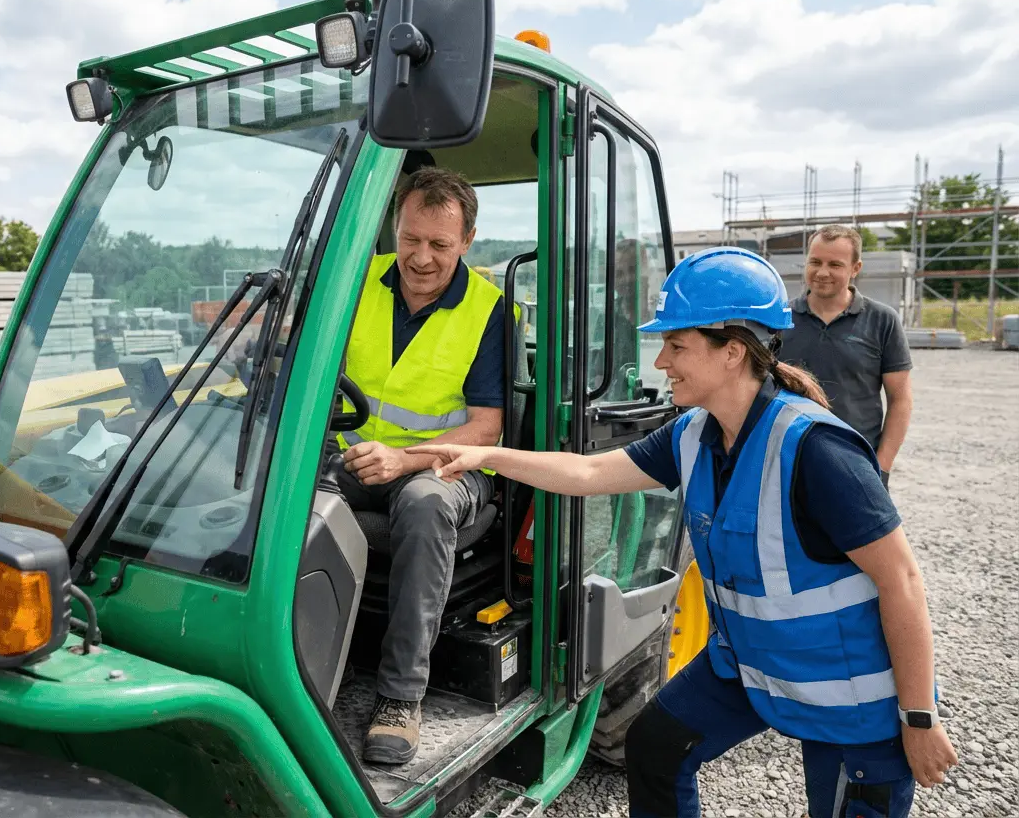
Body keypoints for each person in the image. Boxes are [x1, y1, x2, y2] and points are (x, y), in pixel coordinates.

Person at [408, 247, 956, 817]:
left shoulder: (818, 450)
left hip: (850, 694)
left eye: (676, 345)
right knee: (655, 748)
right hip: (751, 664)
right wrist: (485, 455)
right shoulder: (693, 434)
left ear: (732, 353)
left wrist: (918, 719)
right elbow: (591, 472)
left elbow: (902, 583)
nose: (661, 362)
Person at [335, 165, 509, 765]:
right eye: (411, 239)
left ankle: (400, 698)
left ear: (466, 242)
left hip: (453, 466)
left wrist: (404, 458)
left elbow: (487, 429)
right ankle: (299, 661)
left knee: (425, 505)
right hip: (357, 457)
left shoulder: (489, 311)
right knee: (281, 491)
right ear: (394, 229)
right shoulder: (354, 281)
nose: (422, 257)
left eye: (439, 244)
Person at [778, 225, 913, 487]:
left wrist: (881, 467)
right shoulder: (780, 320)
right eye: (815, 262)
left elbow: (901, 401)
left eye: (835, 264)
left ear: (855, 268)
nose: (822, 272)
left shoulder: (882, 320)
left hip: (857, 465)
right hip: (788, 463)